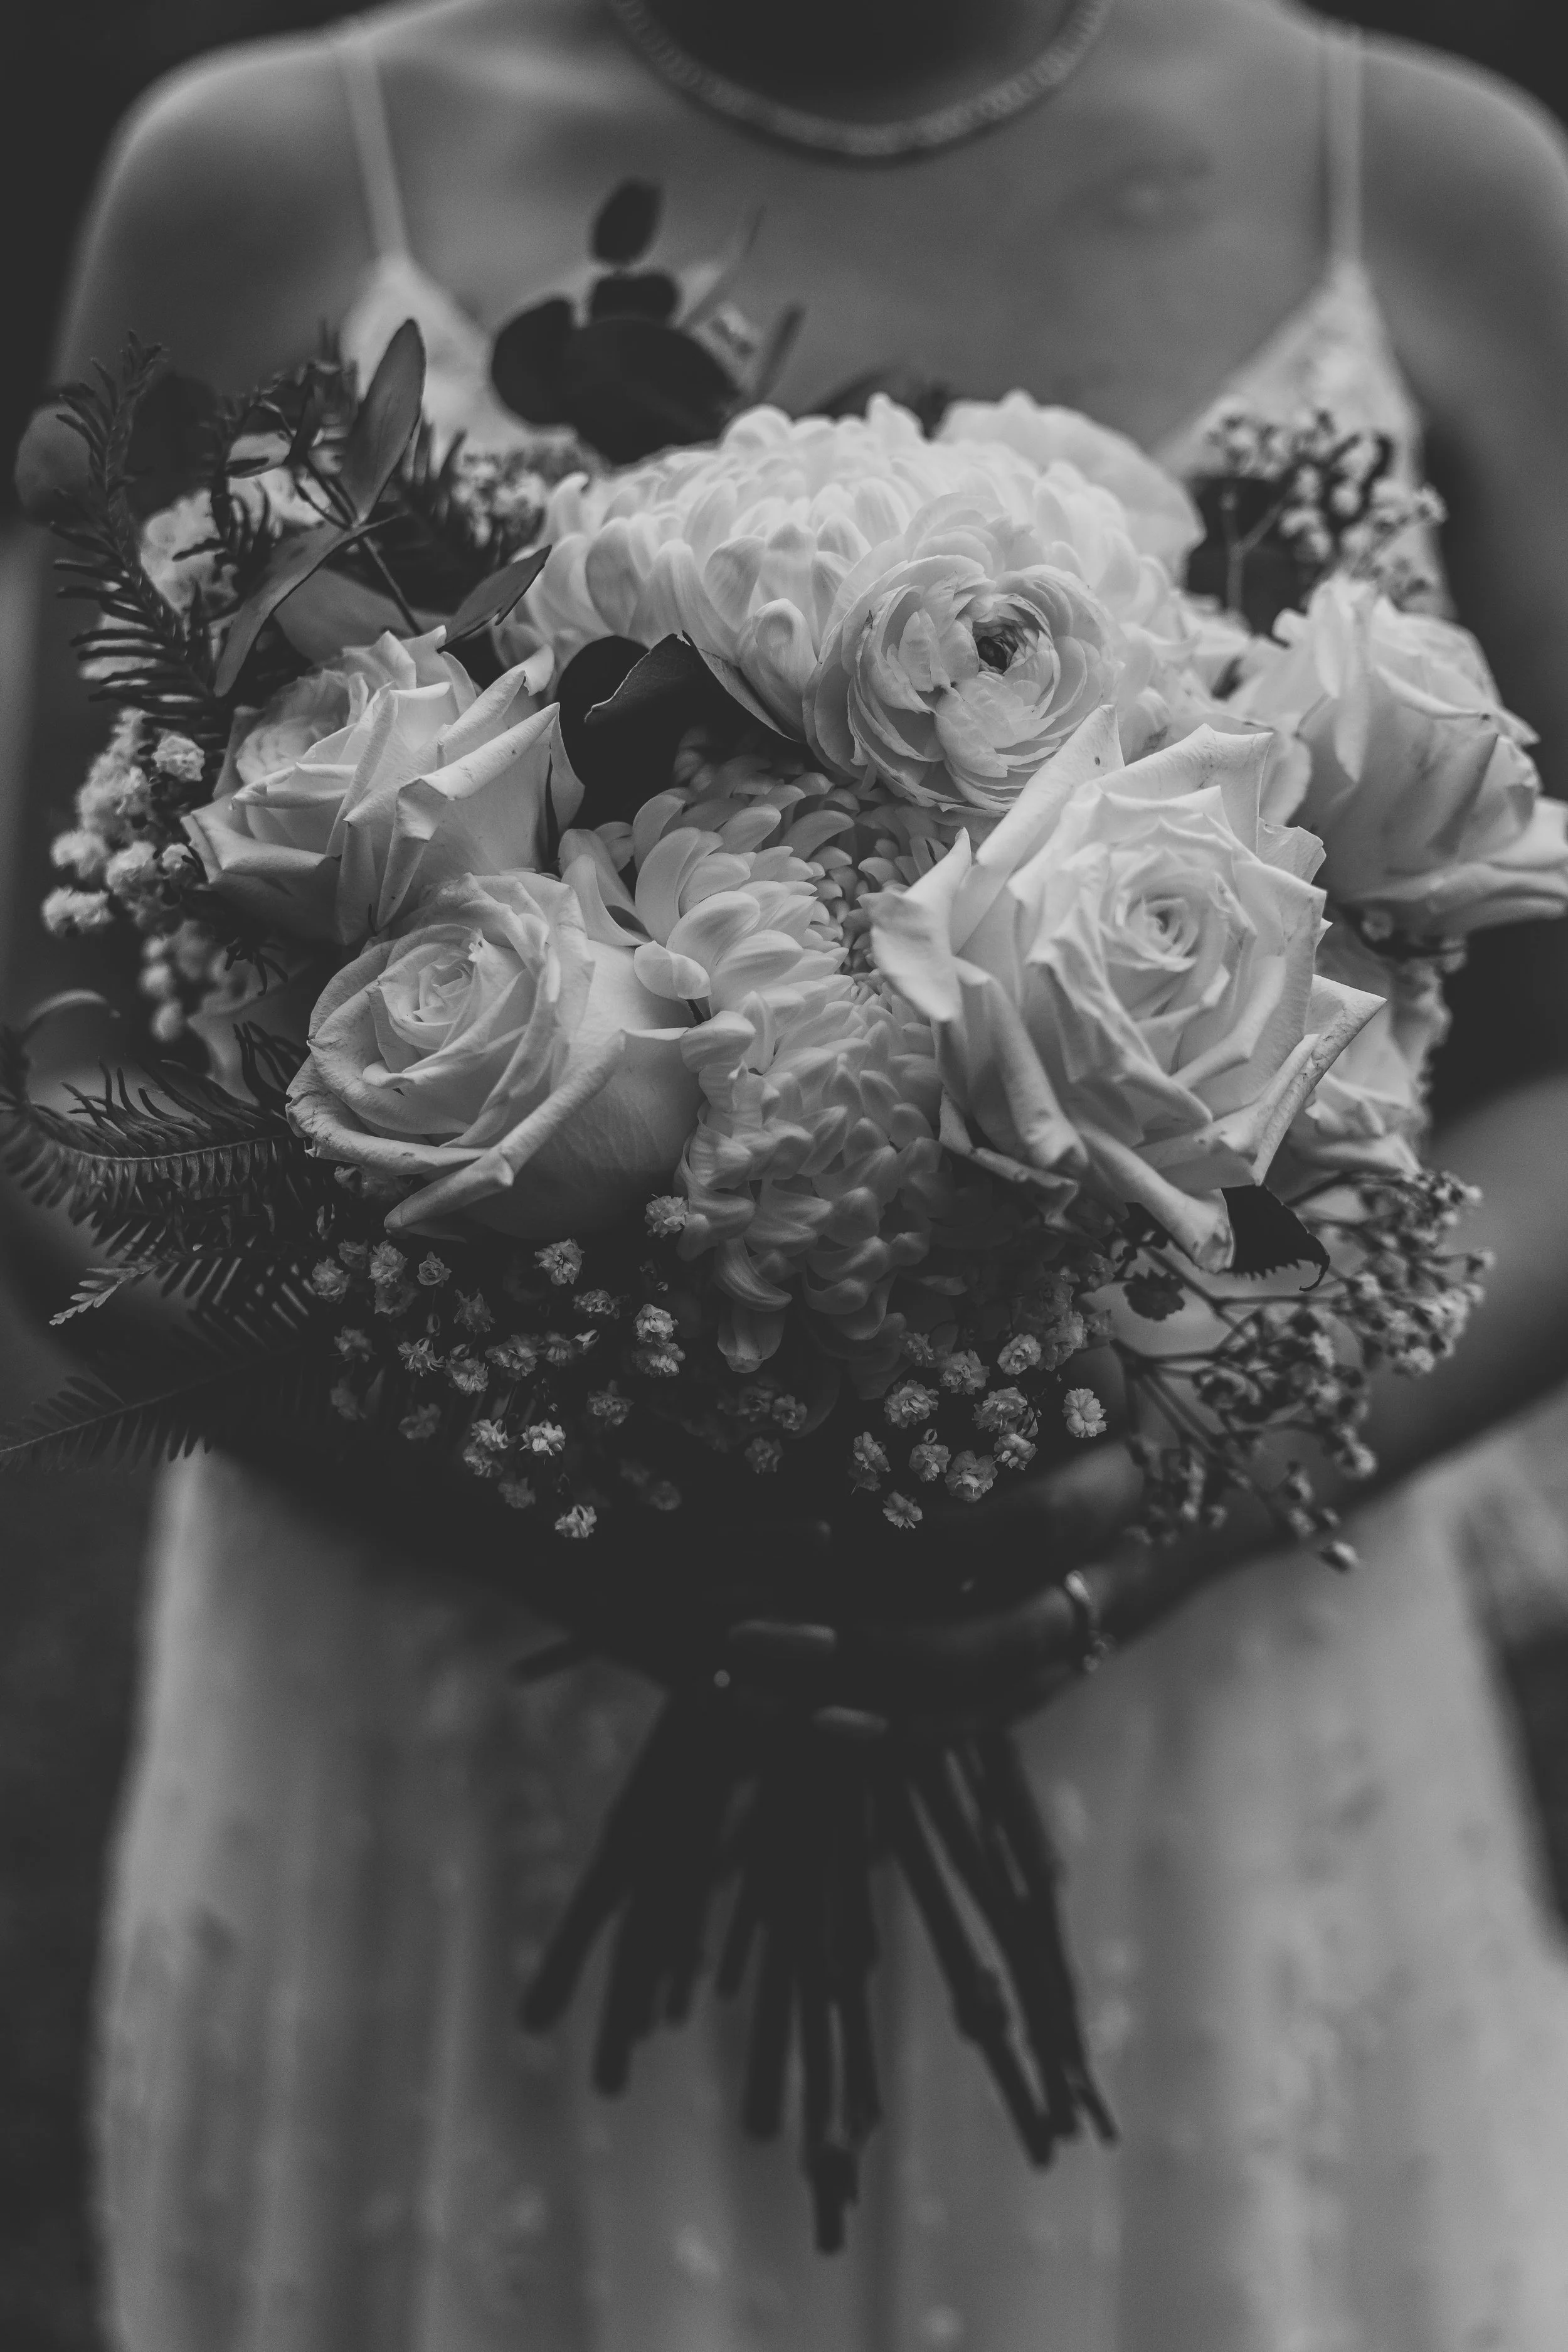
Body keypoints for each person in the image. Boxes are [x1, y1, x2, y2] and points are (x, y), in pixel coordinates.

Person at [22, 0, 1568, 2342]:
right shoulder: (261, 173)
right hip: (445, 1745)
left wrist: (1187, 1467)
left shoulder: (1444, 187)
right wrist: (548, 1490)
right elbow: (58, 1084)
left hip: (1205, 1750)